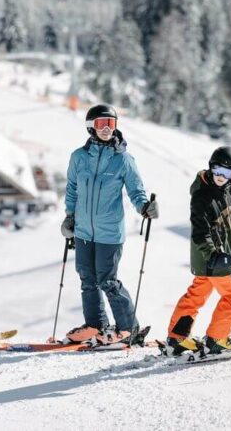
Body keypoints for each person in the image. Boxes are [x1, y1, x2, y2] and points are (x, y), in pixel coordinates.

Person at [61, 104, 158, 345]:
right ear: (91, 127)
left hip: (109, 233)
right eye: (101, 124)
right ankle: (96, 325)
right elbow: (72, 189)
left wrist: (144, 207)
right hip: (83, 232)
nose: (106, 129)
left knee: (108, 281)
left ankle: (128, 329)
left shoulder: (123, 159)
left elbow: (137, 191)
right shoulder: (78, 157)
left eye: (111, 124)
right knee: (87, 279)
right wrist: (69, 216)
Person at [164, 146, 231, 356]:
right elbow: (200, 232)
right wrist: (213, 254)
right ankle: (217, 339)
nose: (221, 177)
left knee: (195, 296)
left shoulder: (227, 190)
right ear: (210, 167)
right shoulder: (202, 196)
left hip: (213, 258)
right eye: (217, 170)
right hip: (211, 258)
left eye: (228, 173)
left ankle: (176, 339)